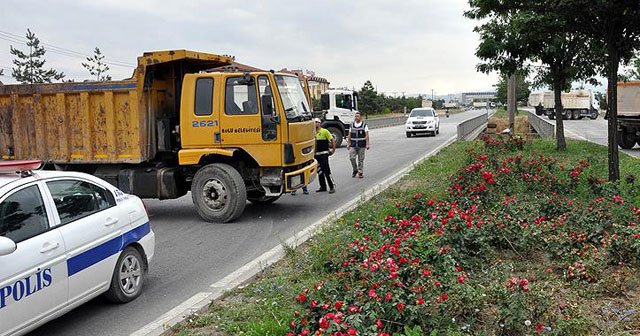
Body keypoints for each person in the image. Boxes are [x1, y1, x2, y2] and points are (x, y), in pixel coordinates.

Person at [313, 118, 336, 193]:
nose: (315, 123)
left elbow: (332, 139)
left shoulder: (324, 131)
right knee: (319, 171)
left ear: (320, 123)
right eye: (314, 122)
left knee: (326, 170)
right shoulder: (313, 133)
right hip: (316, 155)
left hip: (324, 154)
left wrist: (333, 149)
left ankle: (332, 186)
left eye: (317, 122)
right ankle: (323, 187)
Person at [346, 111, 369, 178]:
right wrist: (348, 143)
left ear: (360, 117)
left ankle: (360, 172)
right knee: (352, 158)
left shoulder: (364, 125)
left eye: (357, 116)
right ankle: (355, 169)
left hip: (361, 145)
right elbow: (349, 135)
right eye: (355, 116)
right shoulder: (352, 125)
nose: (356, 117)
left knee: (360, 159)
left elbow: (367, 135)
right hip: (353, 145)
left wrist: (367, 144)